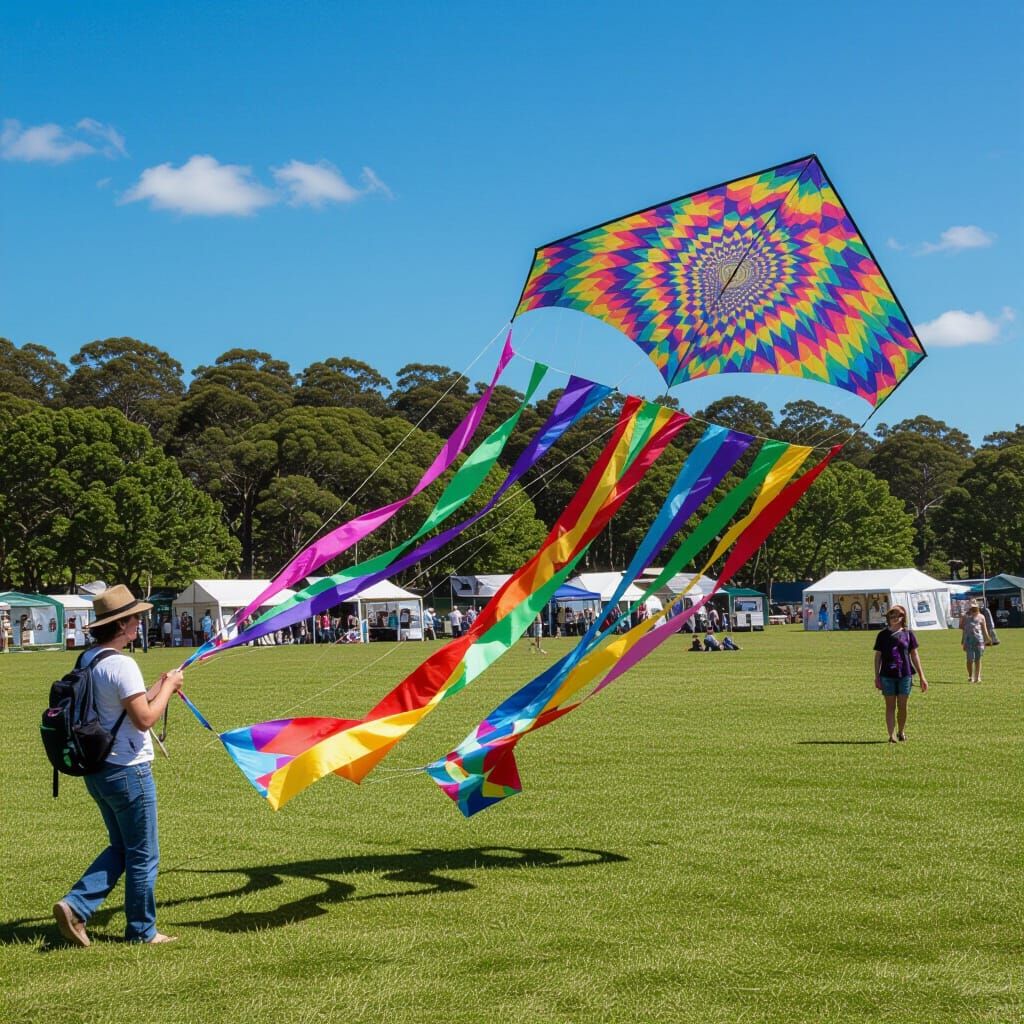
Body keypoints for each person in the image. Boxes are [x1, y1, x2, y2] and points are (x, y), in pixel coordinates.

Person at [53, 585, 184, 946]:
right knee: (143, 853)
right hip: (128, 770)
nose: (140, 623)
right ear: (122, 624)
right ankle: (142, 931)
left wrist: (160, 685)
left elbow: (121, 706)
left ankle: (76, 905)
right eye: (136, 618)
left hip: (98, 768)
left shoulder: (89, 659)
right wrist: (170, 688)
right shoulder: (123, 664)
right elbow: (144, 720)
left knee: (122, 847)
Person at [873, 604, 928, 743]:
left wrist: (922, 676)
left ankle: (901, 731)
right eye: (892, 615)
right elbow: (878, 656)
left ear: (903, 617)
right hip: (887, 675)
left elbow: (914, 655)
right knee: (890, 706)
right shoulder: (882, 635)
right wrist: (877, 676)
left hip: (905, 674)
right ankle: (891, 735)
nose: (894, 618)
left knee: (902, 706)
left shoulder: (908, 634)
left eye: (898, 615)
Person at [961, 601, 993, 683]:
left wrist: (988, 639)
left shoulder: (981, 617)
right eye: (972, 607)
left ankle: (977, 677)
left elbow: (984, 629)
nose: (974, 609)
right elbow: (963, 629)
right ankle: (970, 676)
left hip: (979, 640)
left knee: (978, 659)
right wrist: (963, 642)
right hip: (968, 640)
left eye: (975, 607)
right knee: (970, 659)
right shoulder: (965, 617)